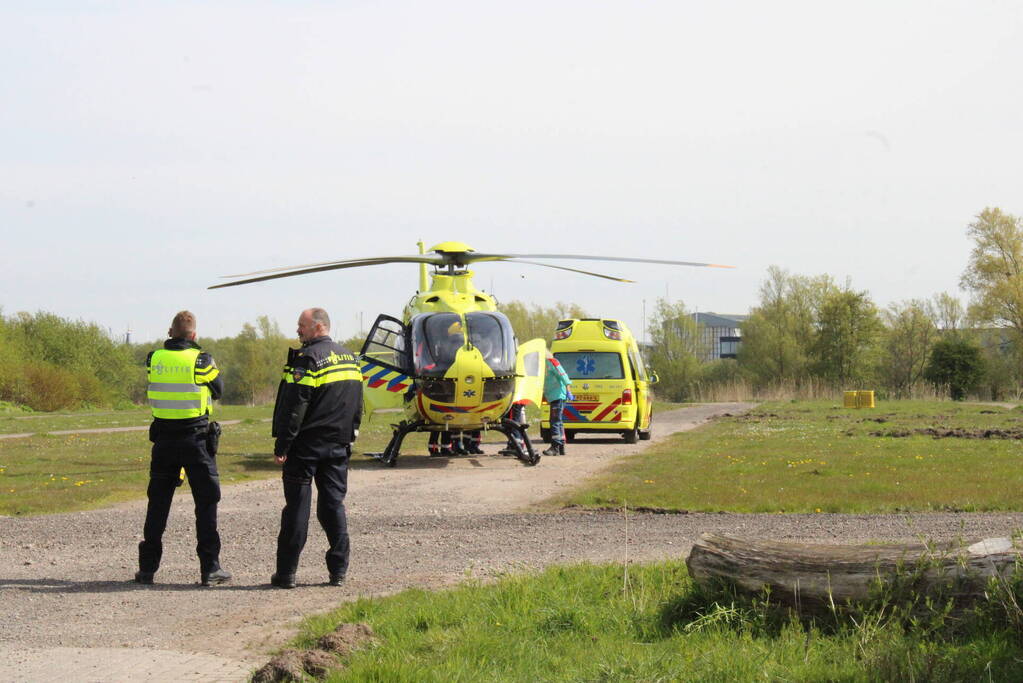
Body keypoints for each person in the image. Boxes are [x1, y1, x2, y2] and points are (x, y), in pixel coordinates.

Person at [136, 310, 230, 587]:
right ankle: (210, 568)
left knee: (158, 505)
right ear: (193, 335)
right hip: (196, 440)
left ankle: (147, 570)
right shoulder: (201, 360)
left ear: (170, 332)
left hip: (164, 440)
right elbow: (219, 389)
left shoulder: (155, 358)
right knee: (206, 503)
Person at [271, 307, 362, 589]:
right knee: (333, 506)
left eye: (302, 325)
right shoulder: (350, 358)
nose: (298, 330)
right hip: (338, 446)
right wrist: (351, 435)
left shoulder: (308, 359)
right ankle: (339, 571)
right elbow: (358, 402)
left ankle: (286, 574)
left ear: (319, 327)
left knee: (297, 508)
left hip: (305, 448)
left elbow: (296, 407)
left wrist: (283, 444)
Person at [542, 352, 572, 456]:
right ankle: (561, 446)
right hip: (553, 396)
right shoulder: (542, 365)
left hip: (558, 395)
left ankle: (555, 447)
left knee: (554, 420)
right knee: (557, 421)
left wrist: (569, 390)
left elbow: (563, 375)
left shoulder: (552, 362)